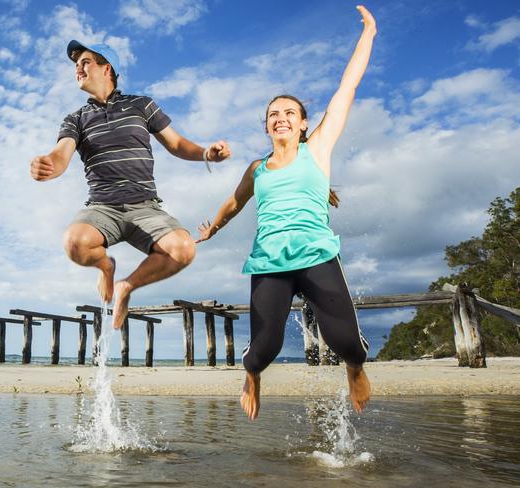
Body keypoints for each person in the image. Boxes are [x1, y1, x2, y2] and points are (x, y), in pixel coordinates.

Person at [196, 5, 376, 419]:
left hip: (317, 256)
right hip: (270, 262)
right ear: (266, 127)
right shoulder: (257, 168)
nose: (280, 118)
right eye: (273, 115)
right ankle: (253, 376)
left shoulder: (319, 148)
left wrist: (368, 33)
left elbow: (348, 87)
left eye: (288, 113)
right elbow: (235, 201)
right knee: (263, 350)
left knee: (346, 340)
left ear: (302, 123)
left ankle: (354, 369)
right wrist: (214, 229)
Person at [30, 42, 231, 329]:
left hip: (145, 207)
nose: (78, 68)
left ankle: (126, 286)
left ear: (106, 68)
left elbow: (175, 143)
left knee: (184, 248)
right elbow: (61, 154)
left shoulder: (141, 105)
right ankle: (105, 266)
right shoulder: (76, 118)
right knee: (74, 243)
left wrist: (205, 153)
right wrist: (48, 164)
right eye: (76, 65)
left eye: (85, 62)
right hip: (102, 208)